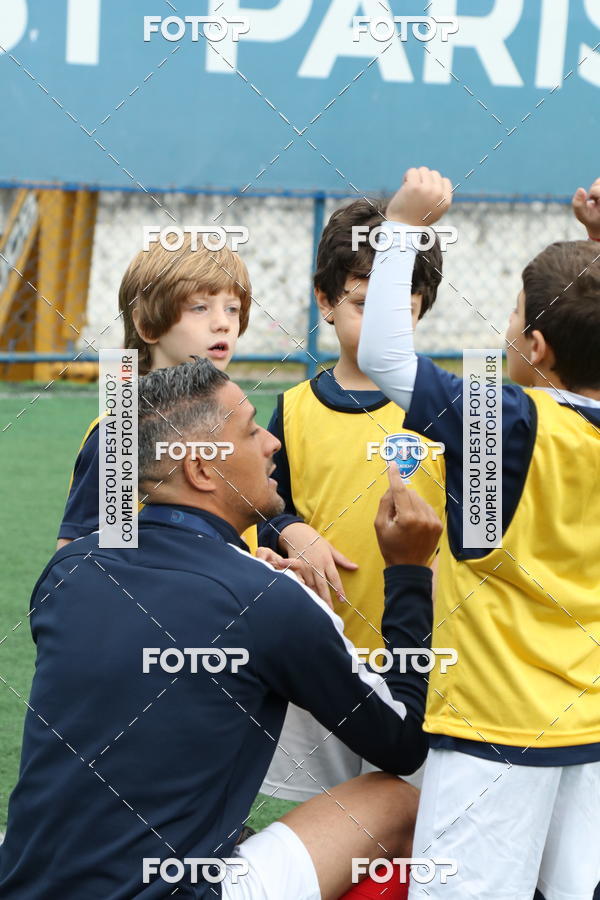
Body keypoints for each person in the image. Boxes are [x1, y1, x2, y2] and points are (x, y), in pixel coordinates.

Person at [0, 359, 443, 900]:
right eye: (252, 428)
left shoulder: (70, 571)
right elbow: (401, 743)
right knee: (395, 800)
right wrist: (409, 574)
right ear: (203, 471)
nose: (272, 442)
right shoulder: (268, 599)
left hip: (27, 881)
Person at [358, 167, 600, 899]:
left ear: (537, 343)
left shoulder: (515, 422)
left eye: (513, 313)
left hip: (495, 729)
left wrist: (400, 227)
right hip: (588, 726)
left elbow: (385, 358)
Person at [261, 198, 447, 803]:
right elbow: (261, 511)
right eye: (365, 305)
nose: (381, 324)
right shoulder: (291, 410)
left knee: (415, 822)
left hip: (428, 667)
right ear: (325, 301)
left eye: (401, 309)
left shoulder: (450, 407)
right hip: (328, 667)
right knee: (332, 823)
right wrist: (290, 529)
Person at [55, 234, 333, 600]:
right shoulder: (125, 434)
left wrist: (261, 550)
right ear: (147, 325)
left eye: (232, 309)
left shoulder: (231, 419)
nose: (222, 324)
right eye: (200, 308)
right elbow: (81, 565)